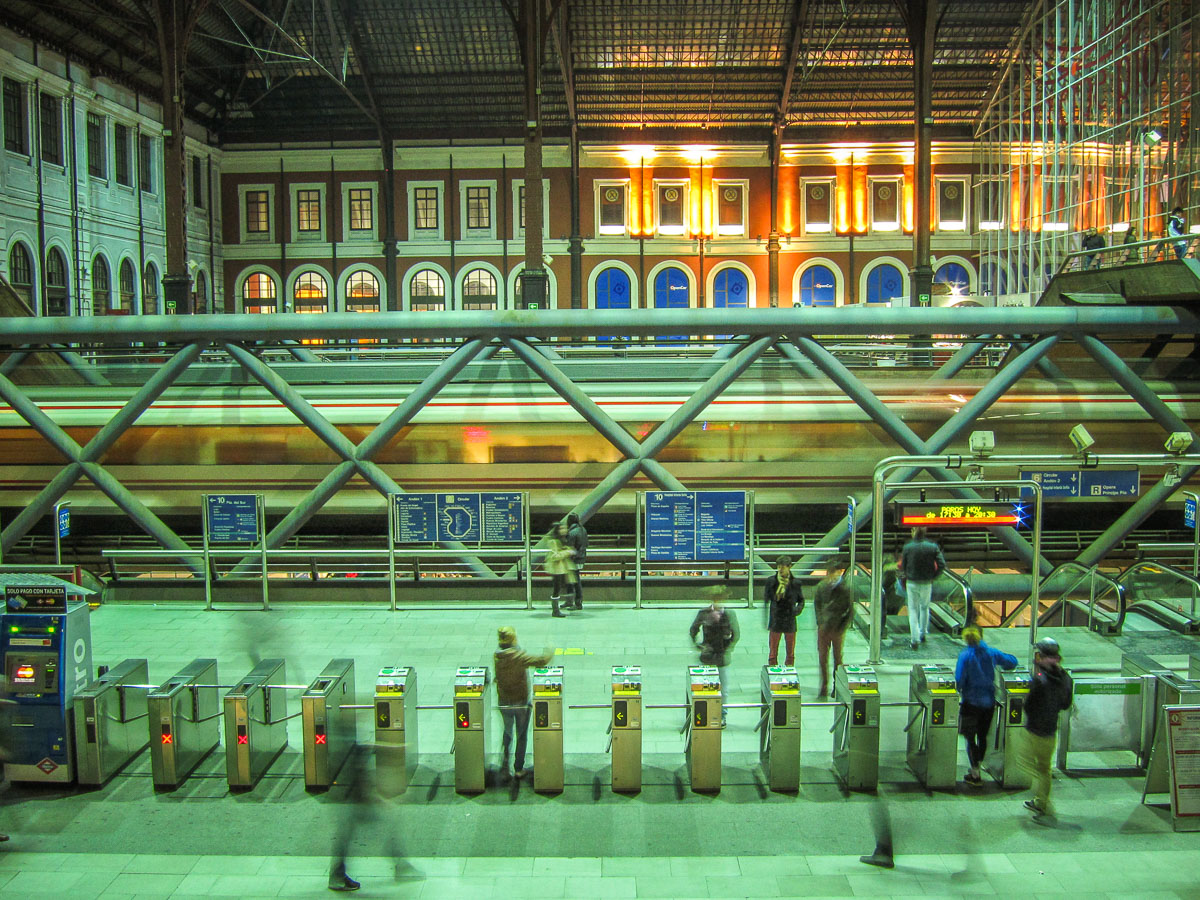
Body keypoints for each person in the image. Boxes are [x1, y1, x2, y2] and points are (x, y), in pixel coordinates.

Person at [954, 625, 1018, 785]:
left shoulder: (965, 655)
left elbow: (959, 679)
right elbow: (1012, 662)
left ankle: (975, 772)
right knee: (982, 736)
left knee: (970, 738)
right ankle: (979, 764)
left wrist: (958, 691)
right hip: (988, 703)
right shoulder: (991, 653)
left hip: (970, 703)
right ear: (981, 636)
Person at [1021, 636, 1073, 819]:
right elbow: (1066, 704)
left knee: (1027, 763)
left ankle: (1041, 800)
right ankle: (1041, 801)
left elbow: (1028, 705)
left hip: (1035, 730)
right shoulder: (1065, 678)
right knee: (1045, 768)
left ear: (1042, 657)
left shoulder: (1040, 680)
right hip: (1051, 731)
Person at [493, 626, 553, 781]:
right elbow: (541, 661)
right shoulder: (518, 656)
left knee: (507, 732)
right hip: (520, 702)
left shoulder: (498, 656)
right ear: (513, 639)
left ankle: (505, 763)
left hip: (504, 701)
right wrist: (550, 650)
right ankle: (518, 768)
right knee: (521, 735)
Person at [689, 591, 740, 725]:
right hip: (707, 656)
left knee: (723, 688)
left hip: (722, 656)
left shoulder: (729, 614)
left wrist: (728, 648)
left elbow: (736, 634)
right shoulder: (704, 613)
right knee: (704, 685)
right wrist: (699, 645)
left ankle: (722, 714)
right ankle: (704, 711)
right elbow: (693, 629)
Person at [899, 527, 946, 650]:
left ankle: (914, 639)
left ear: (913, 532)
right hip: (926, 582)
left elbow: (903, 565)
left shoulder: (908, 547)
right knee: (925, 607)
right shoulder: (932, 547)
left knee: (913, 610)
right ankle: (923, 632)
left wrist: (907, 573)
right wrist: (933, 576)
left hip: (912, 582)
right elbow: (942, 564)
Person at [814, 558, 853, 699]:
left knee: (838, 659)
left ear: (840, 572)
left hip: (837, 629)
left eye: (834, 572)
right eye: (830, 572)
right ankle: (824, 686)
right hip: (824, 628)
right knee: (822, 658)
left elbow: (850, 611)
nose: (831, 575)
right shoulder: (821, 587)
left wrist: (842, 627)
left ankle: (837, 686)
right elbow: (817, 605)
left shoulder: (845, 589)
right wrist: (820, 622)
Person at [763, 555, 804, 666]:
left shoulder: (796, 583)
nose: (781, 569)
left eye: (783, 567)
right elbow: (767, 598)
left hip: (789, 618)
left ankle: (789, 670)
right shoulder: (771, 581)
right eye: (779, 567)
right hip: (776, 618)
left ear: (789, 567)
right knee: (773, 651)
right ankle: (772, 670)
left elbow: (801, 600)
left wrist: (797, 610)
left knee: (790, 651)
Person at [543, 522, 576, 618]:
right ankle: (555, 611)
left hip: (561, 568)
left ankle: (564, 605)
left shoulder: (562, 540)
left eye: (565, 528)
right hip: (557, 568)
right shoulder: (554, 541)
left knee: (563, 586)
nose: (565, 530)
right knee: (557, 589)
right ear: (557, 530)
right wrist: (568, 552)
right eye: (562, 528)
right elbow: (554, 556)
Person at [565, 512, 588, 610]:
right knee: (573, 580)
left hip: (573, 559)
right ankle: (572, 601)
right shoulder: (583, 530)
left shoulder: (572, 532)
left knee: (574, 581)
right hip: (581, 558)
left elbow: (569, 547)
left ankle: (577, 603)